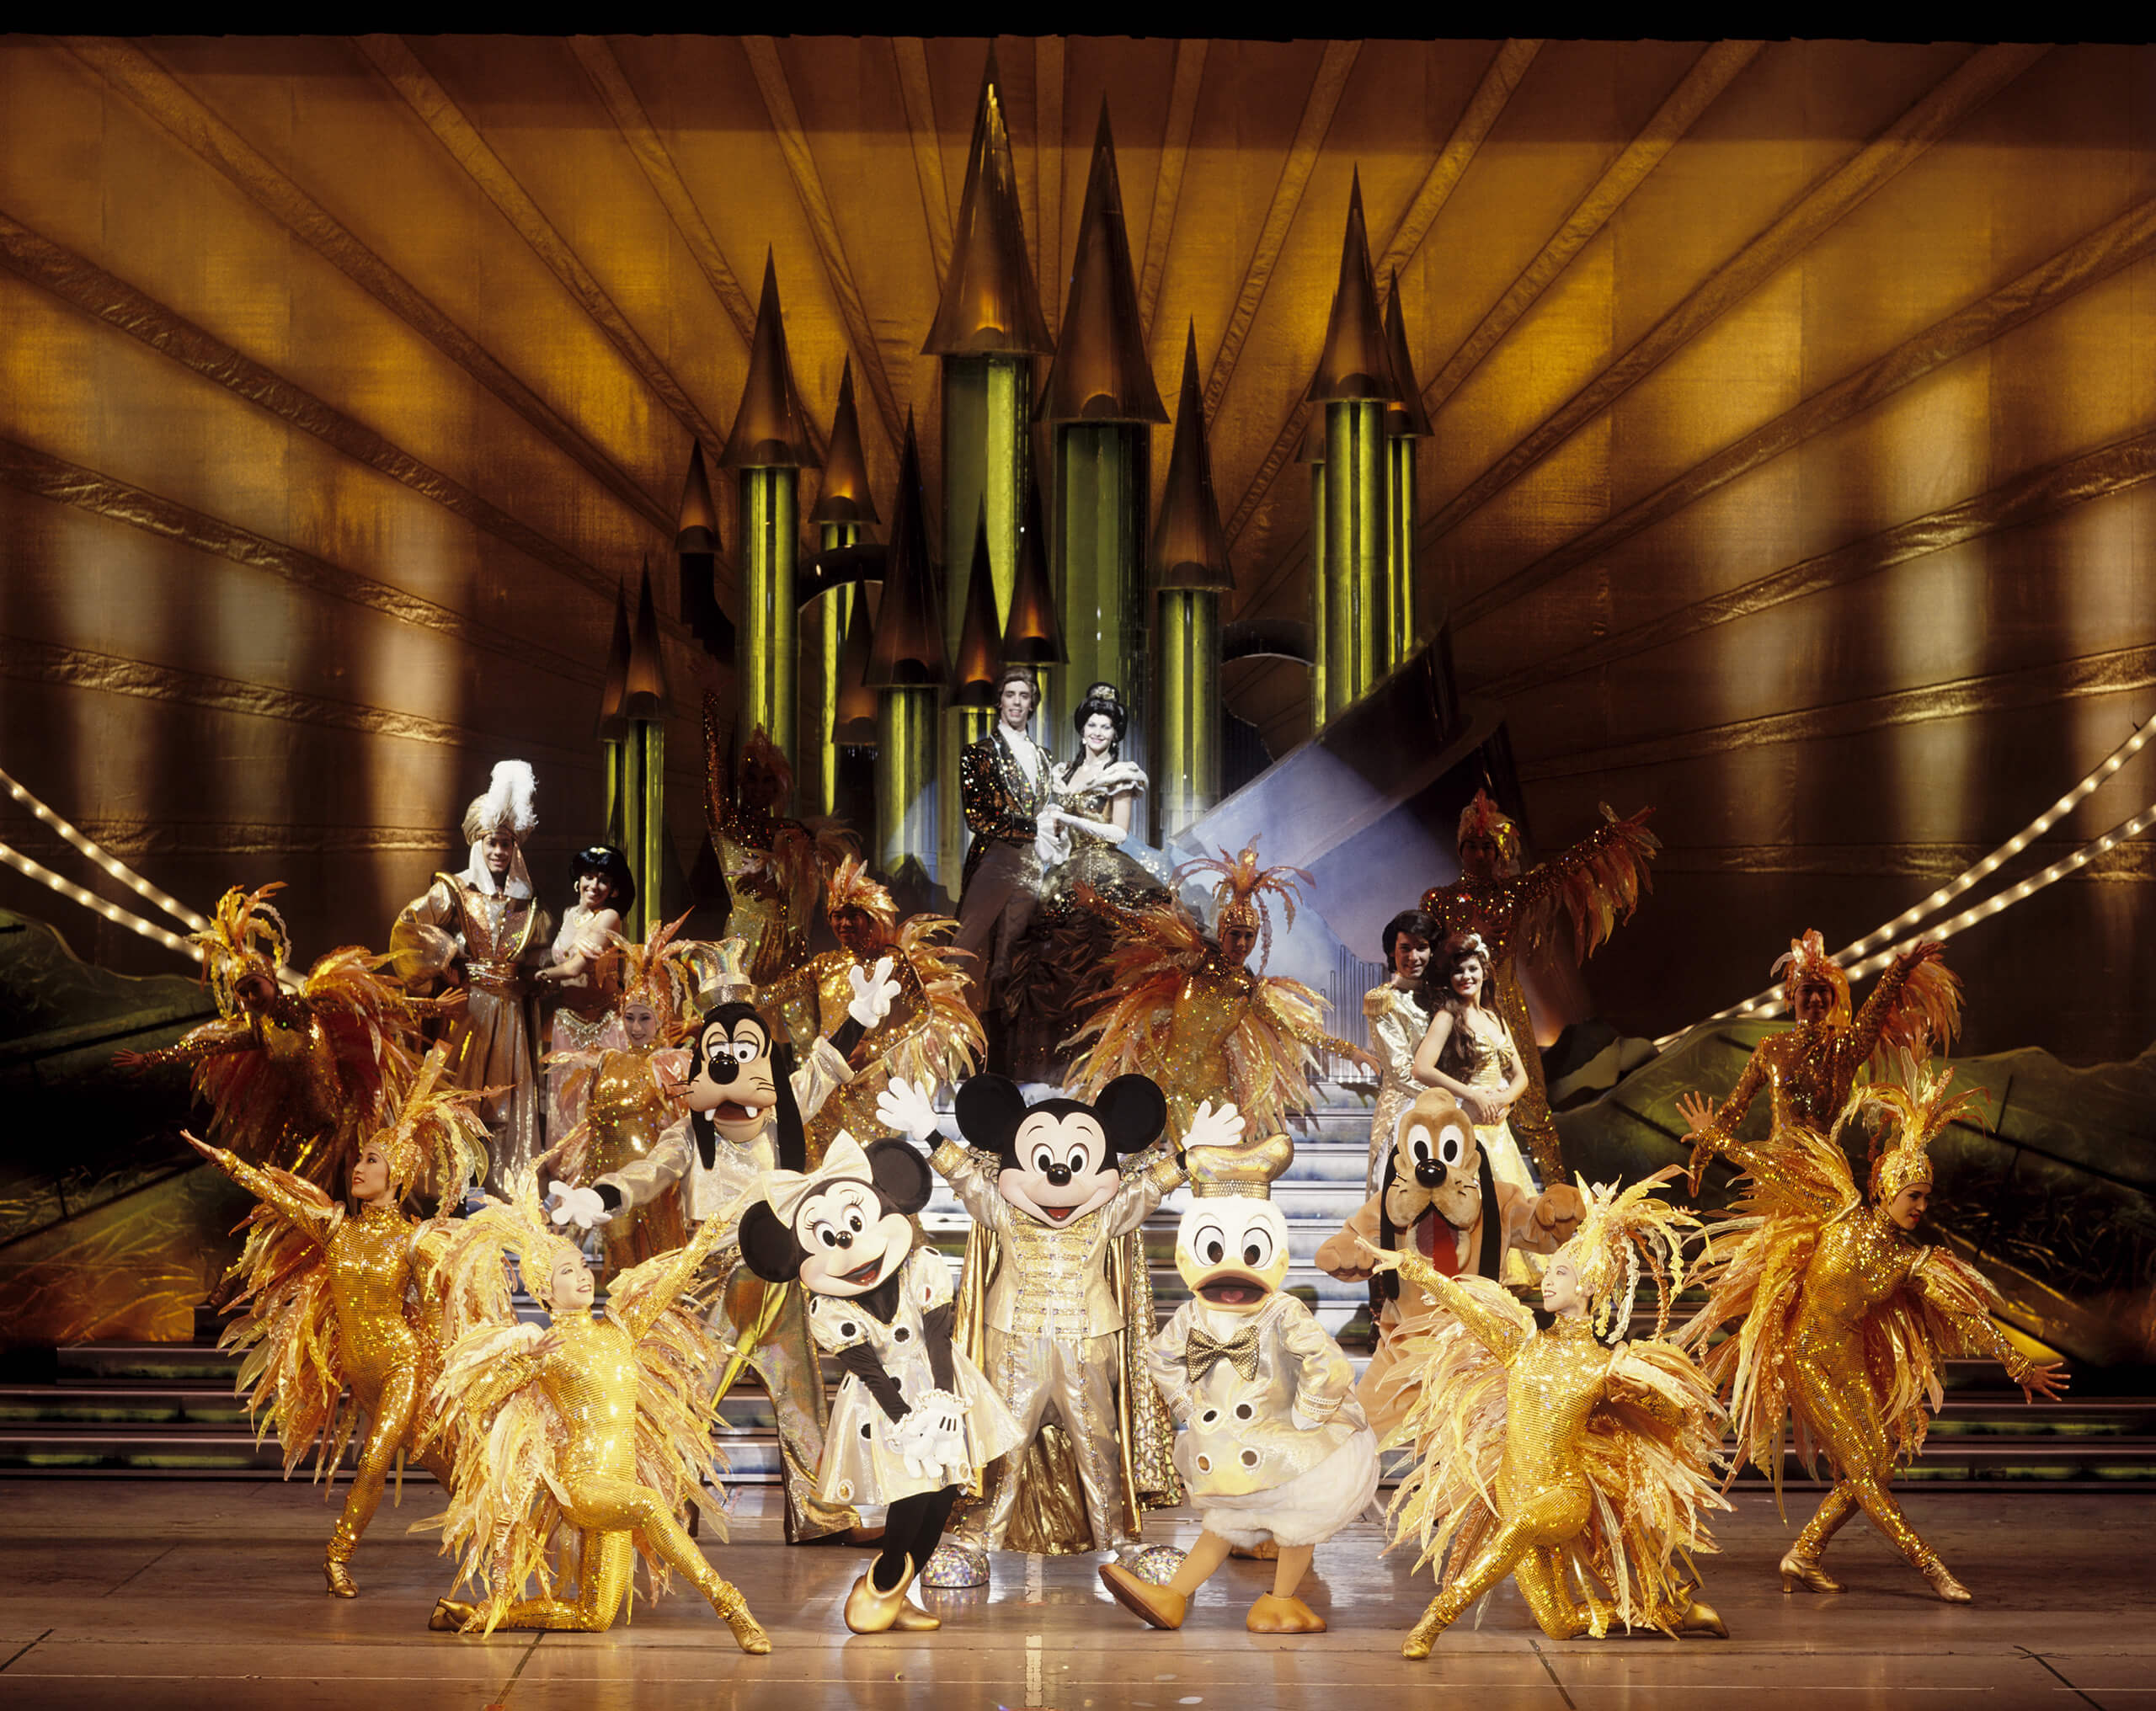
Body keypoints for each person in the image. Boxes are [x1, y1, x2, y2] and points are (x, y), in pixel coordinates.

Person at [1678, 1051, 2068, 1603]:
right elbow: (1773, 1171)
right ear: (1886, 1189)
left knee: (1876, 1466)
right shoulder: (1840, 1212)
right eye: (1914, 1196)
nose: (1922, 1206)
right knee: (1863, 1469)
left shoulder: (1910, 1261)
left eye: (1927, 1197)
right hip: (1806, 1356)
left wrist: (2019, 1364)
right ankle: (1932, 1568)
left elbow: (1966, 1315)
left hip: (1851, 1361)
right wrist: (1716, 1138)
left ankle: (1803, 1555)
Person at [1370, 1167, 1729, 1658]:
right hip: (1513, 1493)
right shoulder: (1524, 1347)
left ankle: (1432, 1623)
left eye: (1559, 1273)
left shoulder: (1604, 1365)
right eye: (1547, 1271)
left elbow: (1676, 1417)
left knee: (1517, 1529)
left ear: (1588, 1286)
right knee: (1559, 1623)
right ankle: (1671, 1613)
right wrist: (1413, 1267)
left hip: (1562, 1498)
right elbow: (1467, 1307)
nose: (1545, 1280)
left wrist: (1648, 1392)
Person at [185, 1050, 493, 1596]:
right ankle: (498, 1531)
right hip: (360, 1367)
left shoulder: (413, 1239)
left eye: (373, 1160)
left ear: (397, 1176)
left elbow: (441, 1305)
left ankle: (337, 1556)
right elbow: (276, 1196)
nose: (359, 1167)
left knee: (375, 1458)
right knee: (436, 1459)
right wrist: (225, 1161)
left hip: (401, 1363)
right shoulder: (336, 1228)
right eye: (360, 1159)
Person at [419, 1184, 771, 1651]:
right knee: (650, 1505)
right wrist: (522, 1364)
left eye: (583, 1266)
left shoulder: (618, 1332)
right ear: (545, 1291)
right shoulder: (548, 1347)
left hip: (619, 1487)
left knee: (594, 1616)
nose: (583, 1276)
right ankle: (732, 1607)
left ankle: (482, 1615)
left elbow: (669, 1284)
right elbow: (478, 1400)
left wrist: (708, 1235)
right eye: (568, 1271)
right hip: (585, 1487)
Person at [117, 882, 426, 1196]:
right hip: (296, 1131)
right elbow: (206, 1045)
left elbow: (379, 1003)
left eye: (255, 986)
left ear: (271, 980)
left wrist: (436, 1006)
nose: (252, 997)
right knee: (281, 1197)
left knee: (305, 1200)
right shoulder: (258, 1031)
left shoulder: (310, 1005)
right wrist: (152, 1058)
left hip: (335, 1122)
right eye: (243, 992)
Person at [1420, 789, 1658, 1185]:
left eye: (1487, 847)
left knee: (1534, 1110)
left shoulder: (1512, 893)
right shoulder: (1438, 900)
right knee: (1456, 1109)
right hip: (1457, 1015)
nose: (1479, 854)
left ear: (1499, 852)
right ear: (1460, 849)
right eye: (1472, 846)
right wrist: (1467, 936)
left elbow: (1559, 870)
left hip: (1506, 1013)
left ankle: (1558, 1197)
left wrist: (1610, 837)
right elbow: (1422, 958)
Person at [1070, 842, 1379, 1136]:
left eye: (1249, 936)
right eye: (1235, 934)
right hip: (1171, 1080)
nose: (1241, 944)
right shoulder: (1197, 960)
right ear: (1222, 933)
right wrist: (1098, 905)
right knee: (1191, 1156)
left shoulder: (1249, 990)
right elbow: (1149, 931)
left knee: (1232, 1152)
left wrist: (1350, 1051)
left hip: (1216, 1084)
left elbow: (1293, 1029)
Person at [1679, 930, 1959, 1193]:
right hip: (1776, 1175)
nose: (1815, 998)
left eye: (1823, 990)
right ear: (1791, 995)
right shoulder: (1771, 1047)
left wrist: (1898, 971)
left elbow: (1875, 1011)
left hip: (1826, 1176)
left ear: (1833, 997)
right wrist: (1700, 1155)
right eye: (1807, 990)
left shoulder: (1845, 1046)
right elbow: (1735, 1107)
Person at [760, 854, 983, 1164]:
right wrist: (724, 1002)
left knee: (869, 1164)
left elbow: (924, 1015)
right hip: (823, 1084)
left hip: (866, 1083)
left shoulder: (889, 961)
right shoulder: (824, 964)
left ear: (871, 917)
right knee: (818, 1165)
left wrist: (875, 1049)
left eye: (853, 915)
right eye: (837, 915)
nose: (844, 923)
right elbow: (773, 994)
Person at [392, 760, 552, 1189]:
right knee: (459, 1093)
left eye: (506, 843)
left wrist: (540, 974)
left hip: (510, 1012)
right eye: (492, 842)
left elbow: (539, 952)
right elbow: (410, 926)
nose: (499, 851)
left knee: (506, 1098)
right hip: (471, 1010)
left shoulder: (526, 902)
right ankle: (450, 1186)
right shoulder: (456, 889)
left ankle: (504, 1186)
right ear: (478, 844)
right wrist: (446, 958)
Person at [1001, 681, 1171, 1085]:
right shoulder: (1064, 774)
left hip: (1109, 872)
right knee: (1046, 955)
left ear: (1115, 734)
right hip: (1067, 872)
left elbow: (1119, 833)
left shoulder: (1120, 775)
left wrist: (1071, 818)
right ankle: (1059, 1068)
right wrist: (1053, 832)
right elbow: (1060, 841)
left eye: (1106, 727)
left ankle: (1107, 1068)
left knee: (1104, 958)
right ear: (1082, 729)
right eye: (1092, 724)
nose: (1098, 732)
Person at [953, 667, 1057, 1047]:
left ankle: (1001, 1046)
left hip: (1032, 864)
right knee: (964, 948)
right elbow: (978, 817)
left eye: (1023, 696)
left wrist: (1051, 833)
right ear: (999, 701)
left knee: (1011, 959)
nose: (1016, 702)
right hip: (995, 859)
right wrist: (1032, 828)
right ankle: (943, 1032)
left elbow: (1047, 809)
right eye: (1010, 694)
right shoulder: (978, 753)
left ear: (1032, 704)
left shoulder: (1044, 757)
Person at [706, 696, 824, 986]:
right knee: (739, 1004)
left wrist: (776, 864)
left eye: (768, 780)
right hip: (746, 937)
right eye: (752, 779)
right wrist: (710, 705)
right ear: (741, 783)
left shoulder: (792, 829)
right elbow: (713, 778)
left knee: (796, 1011)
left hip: (790, 939)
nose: (759, 788)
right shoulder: (729, 824)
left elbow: (815, 876)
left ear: (779, 785)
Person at [1411, 933, 1535, 1194]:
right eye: (1458, 971)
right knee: (1477, 1201)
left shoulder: (1495, 1018)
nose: (1465, 976)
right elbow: (1421, 1068)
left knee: (1510, 1202)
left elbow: (1521, 1077)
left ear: (1485, 971)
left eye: (1472, 969)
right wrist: (1473, 1096)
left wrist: (1505, 1101)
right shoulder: (1448, 1015)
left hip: (1499, 1129)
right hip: (1468, 1125)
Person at [1362, 909, 1436, 1195]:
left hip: (1447, 1107)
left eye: (1422, 947)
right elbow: (1401, 1072)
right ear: (1392, 952)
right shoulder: (1383, 1001)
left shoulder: (1443, 996)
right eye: (1405, 948)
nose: (1413, 957)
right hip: (1403, 1110)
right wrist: (1452, 1098)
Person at [536, 844, 634, 1045]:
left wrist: (541, 975)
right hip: (566, 1018)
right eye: (589, 877)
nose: (594, 885)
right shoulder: (568, 914)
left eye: (603, 881)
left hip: (603, 1021)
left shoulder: (609, 917)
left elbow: (575, 968)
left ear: (613, 890)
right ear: (578, 880)